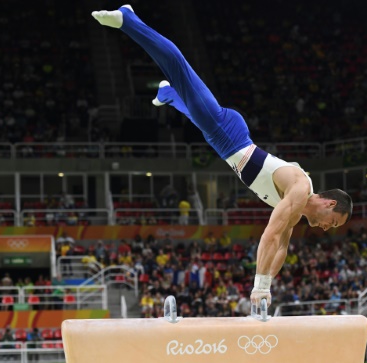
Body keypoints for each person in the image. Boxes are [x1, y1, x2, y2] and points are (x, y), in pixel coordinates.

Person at [92, 5, 353, 306]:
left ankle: (168, 95)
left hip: (226, 144)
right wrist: (259, 284)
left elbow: (280, 247)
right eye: (332, 222)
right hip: (230, 134)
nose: (326, 229)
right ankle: (129, 20)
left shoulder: (295, 213)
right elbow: (270, 234)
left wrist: (267, 289)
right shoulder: (299, 189)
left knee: (192, 110)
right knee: (179, 67)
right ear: (330, 203)